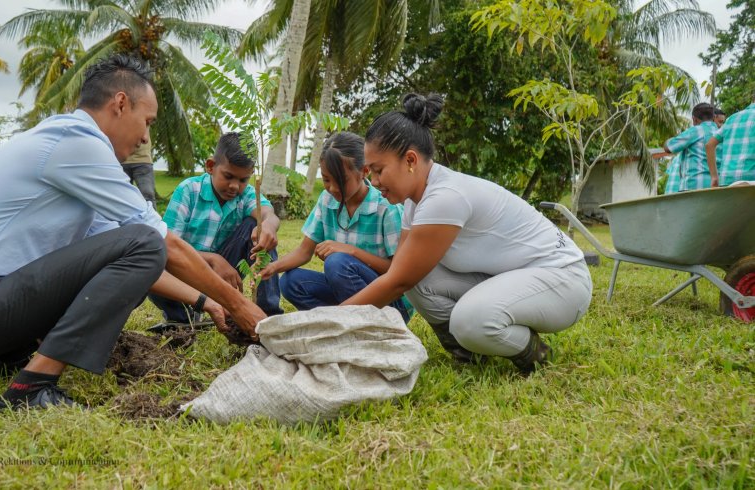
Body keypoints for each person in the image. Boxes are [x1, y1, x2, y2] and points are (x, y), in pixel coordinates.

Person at [0, 55, 265, 410]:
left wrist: (208, 303)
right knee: (145, 240)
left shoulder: (69, 152)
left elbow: (138, 263)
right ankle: (31, 387)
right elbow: (156, 244)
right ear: (120, 103)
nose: (145, 136)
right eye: (146, 122)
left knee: (138, 248)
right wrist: (239, 305)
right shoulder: (77, 141)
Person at [341, 93, 593, 375]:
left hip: (564, 280)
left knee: (469, 321)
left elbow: (397, 282)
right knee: (419, 280)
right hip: (515, 275)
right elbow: (401, 270)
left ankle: (535, 353)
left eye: (378, 171)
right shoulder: (416, 201)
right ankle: (470, 352)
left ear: (410, 160)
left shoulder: (445, 197)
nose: (374, 182)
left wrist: (332, 319)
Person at [259, 132, 411, 323]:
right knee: (291, 282)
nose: (332, 188)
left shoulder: (386, 208)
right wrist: (273, 267)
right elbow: (304, 252)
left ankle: (365, 325)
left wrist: (350, 251)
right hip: (348, 292)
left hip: (390, 303)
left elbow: (398, 272)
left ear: (364, 171)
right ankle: (339, 323)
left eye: (341, 180)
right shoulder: (327, 200)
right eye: (326, 179)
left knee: (337, 262)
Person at [151, 132, 284, 323]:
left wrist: (269, 225)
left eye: (243, 180)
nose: (234, 186)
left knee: (257, 228)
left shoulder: (246, 195)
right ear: (211, 166)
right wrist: (213, 259)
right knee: (154, 261)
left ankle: (268, 316)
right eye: (228, 176)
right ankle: (182, 317)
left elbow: (267, 212)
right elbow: (168, 248)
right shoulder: (189, 191)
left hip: (225, 274)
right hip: (185, 270)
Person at [663, 103, 718, 192]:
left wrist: (669, 140)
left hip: (693, 186)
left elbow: (668, 148)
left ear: (694, 119)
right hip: (716, 186)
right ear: (714, 117)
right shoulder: (721, 132)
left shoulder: (696, 131)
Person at [706, 100, 755, 187]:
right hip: (751, 182)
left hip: (727, 182)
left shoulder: (732, 118)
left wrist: (714, 177)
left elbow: (709, 145)